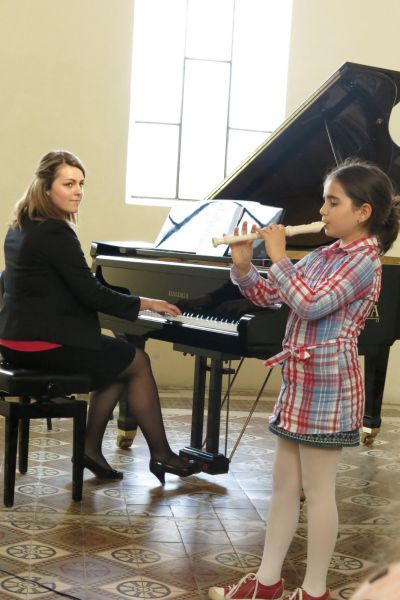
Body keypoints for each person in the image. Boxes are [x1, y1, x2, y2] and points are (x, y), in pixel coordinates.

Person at [208, 159, 400, 600]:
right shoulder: (325, 254)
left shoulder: (365, 261)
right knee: (284, 487)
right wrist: (244, 266)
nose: (322, 211)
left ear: (363, 212)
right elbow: (274, 295)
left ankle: (315, 591)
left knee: (318, 492)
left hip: (330, 384)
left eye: (333, 202)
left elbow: (311, 304)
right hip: (300, 380)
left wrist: (278, 255)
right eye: (324, 201)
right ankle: (267, 582)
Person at [0, 150, 199, 484]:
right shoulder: (55, 231)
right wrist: (146, 303)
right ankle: (162, 455)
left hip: (13, 340)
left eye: (81, 184)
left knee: (115, 361)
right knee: (137, 361)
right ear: (46, 187)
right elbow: (91, 293)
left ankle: (90, 450)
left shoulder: (20, 226)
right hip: (43, 344)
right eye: (68, 184)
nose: (78, 191)